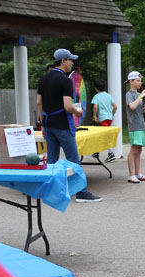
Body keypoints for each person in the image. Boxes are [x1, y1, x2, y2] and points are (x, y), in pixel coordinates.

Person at [37, 48, 101, 202]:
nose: (72, 63)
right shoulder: (65, 81)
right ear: (63, 61)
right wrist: (78, 112)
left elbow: (39, 103)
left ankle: (49, 191)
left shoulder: (43, 79)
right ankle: (81, 193)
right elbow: (68, 106)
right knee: (73, 159)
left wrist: (43, 125)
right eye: (70, 60)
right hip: (63, 125)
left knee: (51, 160)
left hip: (49, 125)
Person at [125, 71, 145, 184]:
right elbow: (132, 107)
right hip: (134, 125)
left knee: (139, 149)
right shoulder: (129, 94)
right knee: (133, 149)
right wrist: (141, 96)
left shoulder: (137, 95)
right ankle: (131, 175)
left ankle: (138, 173)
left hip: (141, 125)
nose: (140, 82)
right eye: (138, 80)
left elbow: (139, 111)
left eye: (140, 80)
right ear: (131, 82)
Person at [90, 78, 117, 163]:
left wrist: (94, 115)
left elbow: (95, 107)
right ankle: (96, 152)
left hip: (103, 118)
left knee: (104, 135)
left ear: (96, 88)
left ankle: (111, 153)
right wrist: (112, 114)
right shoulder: (108, 95)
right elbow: (115, 106)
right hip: (109, 118)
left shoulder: (96, 96)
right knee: (102, 134)